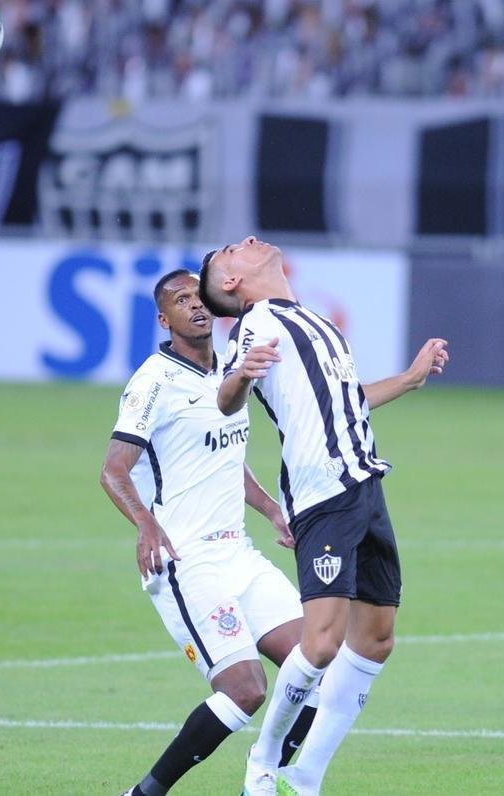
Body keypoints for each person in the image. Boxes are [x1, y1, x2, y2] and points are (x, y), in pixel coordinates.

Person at [198, 235, 449, 796]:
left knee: (377, 639)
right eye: (231, 250)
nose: (248, 241)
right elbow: (226, 396)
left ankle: (305, 775)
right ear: (233, 283)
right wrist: (240, 374)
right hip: (322, 497)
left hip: (364, 484)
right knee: (321, 644)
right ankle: (262, 765)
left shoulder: (311, 321)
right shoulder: (257, 323)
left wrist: (409, 380)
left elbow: (342, 397)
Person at [100, 269, 318, 796]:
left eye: (199, 296)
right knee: (245, 690)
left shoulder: (229, 368)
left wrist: (270, 508)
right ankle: (145, 793)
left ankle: (266, 782)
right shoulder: (153, 381)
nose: (194, 305)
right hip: (184, 559)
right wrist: (145, 523)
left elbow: (221, 457)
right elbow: (113, 469)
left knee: (315, 664)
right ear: (163, 318)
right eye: (180, 300)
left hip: (236, 552)